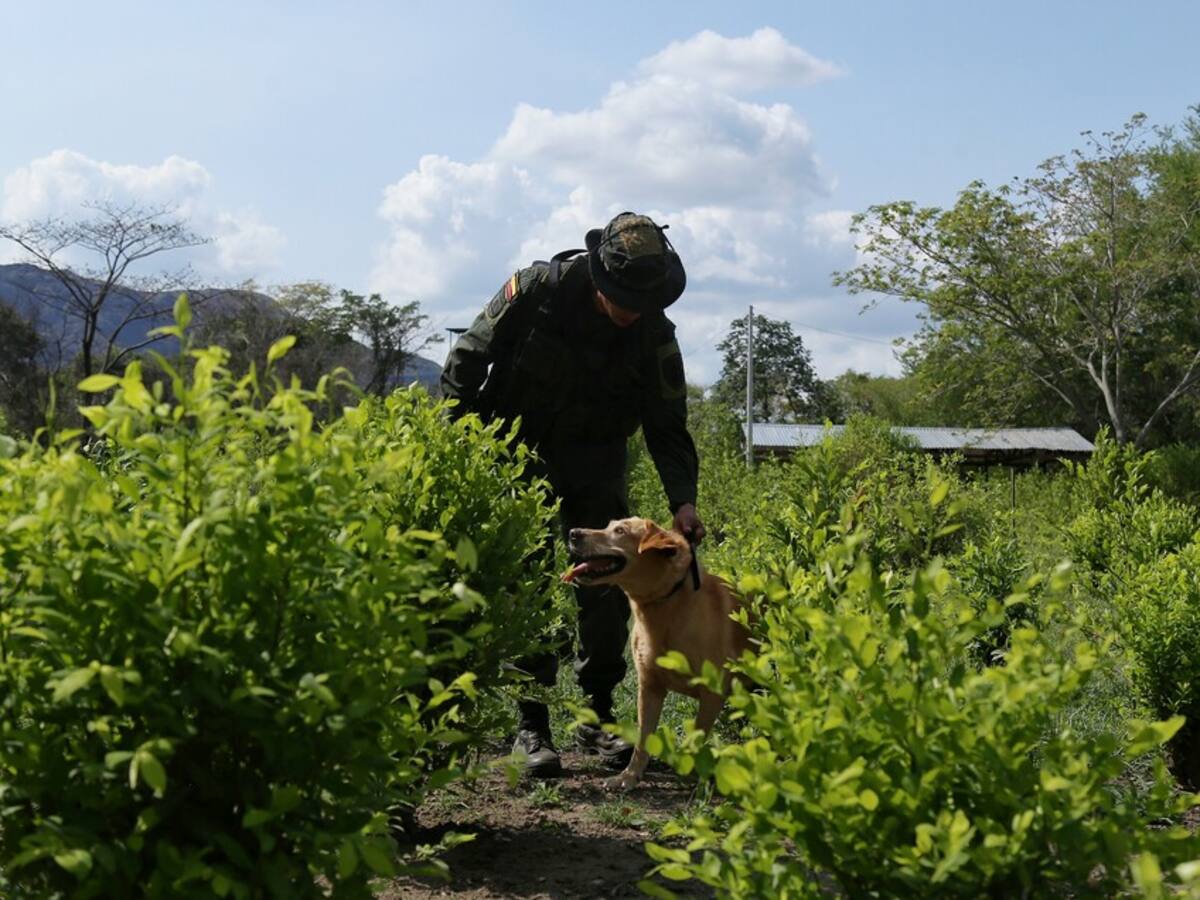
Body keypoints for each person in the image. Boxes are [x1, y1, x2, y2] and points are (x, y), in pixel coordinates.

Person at [440, 211, 705, 777]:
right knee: (526, 587)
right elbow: (465, 360)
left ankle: (598, 718)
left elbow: (667, 423)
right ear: (599, 275)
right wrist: (462, 446)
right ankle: (531, 725)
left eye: (643, 299)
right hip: (514, 456)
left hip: (596, 463)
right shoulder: (537, 291)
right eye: (622, 298)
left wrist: (683, 499)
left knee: (609, 589)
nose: (631, 310)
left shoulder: (654, 331)